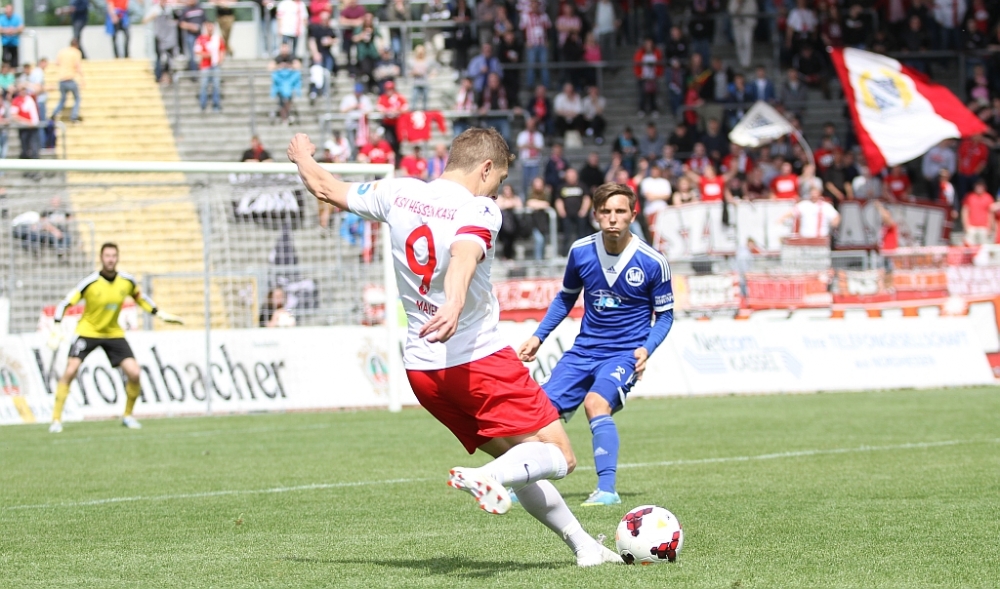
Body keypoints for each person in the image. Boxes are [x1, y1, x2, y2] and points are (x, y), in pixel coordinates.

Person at [288, 128, 622, 567]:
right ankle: (488, 478)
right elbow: (465, 253)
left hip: (423, 372)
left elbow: (325, 187)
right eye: (499, 180)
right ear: (486, 168)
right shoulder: (479, 208)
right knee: (560, 454)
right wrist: (456, 300)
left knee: (520, 460)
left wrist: (302, 156)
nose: (498, 192)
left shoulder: (399, 192)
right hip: (476, 359)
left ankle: (584, 547)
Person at [518, 182, 674, 506]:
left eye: (620, 211)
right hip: (584, 350)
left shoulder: (652, 261)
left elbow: (666, 316)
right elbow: (565, 299)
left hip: (624, 354)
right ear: (595, 214)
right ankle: (526, 485)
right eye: (606, 211)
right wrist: (538, 336)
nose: (613, 218)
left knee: (595, 404)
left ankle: (606, 490)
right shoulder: (581, 252)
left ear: (633, 215)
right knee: (539, 412)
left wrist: (646, 349)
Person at [48, 243, 183, 433]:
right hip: (87, 332)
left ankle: (128, 416)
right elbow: (65, 303)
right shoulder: (90, 282)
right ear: (101, 258)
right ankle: (56, 420)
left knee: (134, 373)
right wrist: (56, 326)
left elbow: (140, 298)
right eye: (107, 256)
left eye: (113, 256)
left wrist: (158, 313)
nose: (110, 259)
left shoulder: (126, 281)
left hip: (113, 333)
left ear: (117, 258)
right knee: (70, 371)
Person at [50, 39, 84, 124]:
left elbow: (57, 63)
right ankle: (74, 116)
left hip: (62, 80)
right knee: (77, 98)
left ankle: (54, 114)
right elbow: (77, 65)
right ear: (77, 45)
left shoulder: (62, 51)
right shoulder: (76, 52)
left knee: (62, 100)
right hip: (70, 78)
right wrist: (82, 78)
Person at [196, 21, 226, 112]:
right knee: (203, 85)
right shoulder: (201, 38)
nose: (210, 28)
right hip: (205, 65)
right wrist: (207, 55)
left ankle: (216, 105)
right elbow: (197, 51)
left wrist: (220, 59)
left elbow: (222, 49)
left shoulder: (217, 38)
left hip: (215, 65)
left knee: (216, 85)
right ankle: (203, 105)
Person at [961, 180, 995, 245]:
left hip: (984, 228)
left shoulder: (988, 197)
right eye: (977, 186)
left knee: (984, 247)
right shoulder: (969, 197)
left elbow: (990, 213)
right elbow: (965, 211)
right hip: (971, 227)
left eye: (981, 186)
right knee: (969, 246)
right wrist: (965, 226)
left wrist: (990, 227)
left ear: (984, 187)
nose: (979, 188)